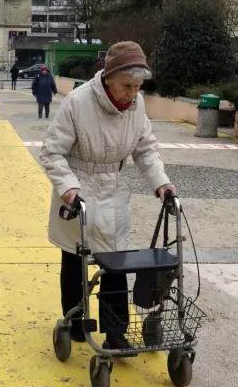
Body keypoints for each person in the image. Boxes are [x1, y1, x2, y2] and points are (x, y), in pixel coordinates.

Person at [39, 41, 177, 348]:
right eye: (127, 86)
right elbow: (51, 152)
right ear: (108, 77)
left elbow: (146, 149)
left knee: (116, 267)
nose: (132, 93)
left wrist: (161, 183)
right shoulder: (77, 102)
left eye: (138, 87)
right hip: (79, 193)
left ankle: (116, 335)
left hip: (114, 190)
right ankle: (75, 323)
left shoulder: (136, 105)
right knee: (75, 261)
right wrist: (68, 187)